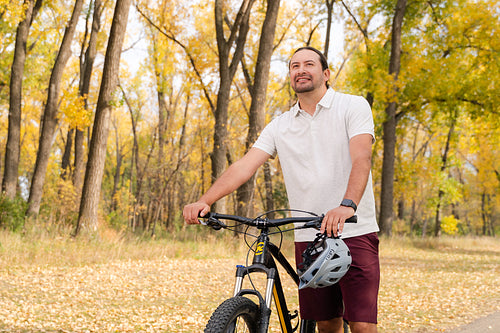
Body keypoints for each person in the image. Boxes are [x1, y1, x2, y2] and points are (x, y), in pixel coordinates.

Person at [183, 46, 380, 333]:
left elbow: (362, 157)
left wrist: (347, 204)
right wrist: (205, 200)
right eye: (294, 66)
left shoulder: (352, 106)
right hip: (308, 235)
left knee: (362, 326)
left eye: (309, 64)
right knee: (326, 325)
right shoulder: (280, 125)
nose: (301, 70)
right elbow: (244, 166)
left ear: (325, 73)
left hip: (353, 230)